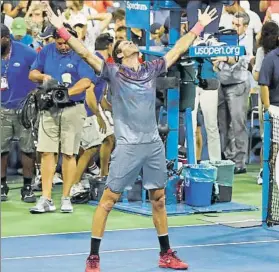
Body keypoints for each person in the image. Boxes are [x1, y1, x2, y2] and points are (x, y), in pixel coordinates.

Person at [46, 4, 217, 271]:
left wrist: (198, 26)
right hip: (127, 147)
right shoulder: (113, 72)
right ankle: (93, 257)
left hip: (152, 146)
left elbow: (178, 49)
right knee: (108, 201)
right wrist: (60, 29)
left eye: (127, 40)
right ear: (119, 54)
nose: (127, 42)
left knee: (158, 198)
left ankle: (165, 254)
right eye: (123, 43)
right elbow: (84, 52)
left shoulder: (151, 68)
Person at [28, 26, 97, 214]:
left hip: (73, 109)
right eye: (59, 43)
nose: (63, 46)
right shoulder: (47, 50)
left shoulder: (80, 51)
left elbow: (86, 82)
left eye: (66, 43)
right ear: (54, 40)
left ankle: (66, 198)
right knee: (46, 152)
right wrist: (43, 77)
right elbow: (32, 73)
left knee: (69, 153)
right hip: (49, 109)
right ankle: (46, 198)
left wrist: (65, 93)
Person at [1, 23, 37, 202]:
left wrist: (34, 94)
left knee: (27, 149)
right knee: (1, 149)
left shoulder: (27, 52)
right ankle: (2, 185)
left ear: (6, 39)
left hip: (24, 109)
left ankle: (28, 187)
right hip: (1, 108)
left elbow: (40, 72)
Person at [213, 11, 252, 174]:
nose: (234, 28)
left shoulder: (247, 41)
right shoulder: (225, 38)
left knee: (238, 124)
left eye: (238, 25)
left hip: (238, 85)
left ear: (246, 26)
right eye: (233, 24)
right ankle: (229, 158)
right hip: (221, 84)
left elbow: (239, 60)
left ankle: (240, 161)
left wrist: (223, 59)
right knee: (223, 125)